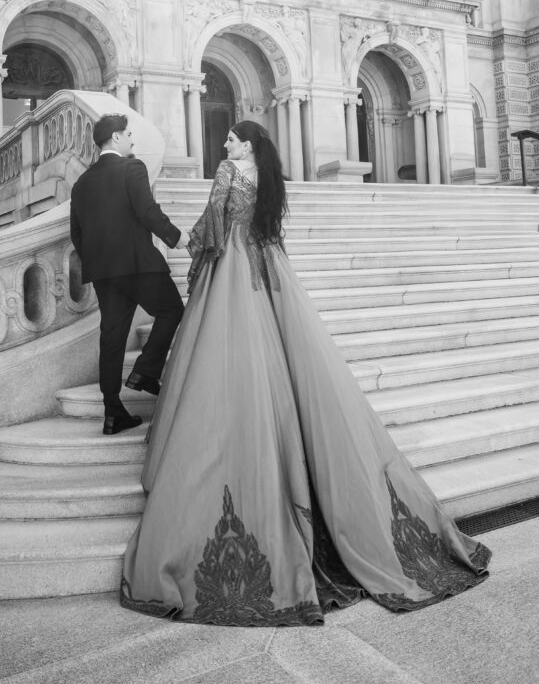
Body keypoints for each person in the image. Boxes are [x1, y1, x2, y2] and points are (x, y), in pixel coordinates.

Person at [120, 120, 491, 625]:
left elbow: (214, 222)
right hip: (269, 264)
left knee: (226, 356)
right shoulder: (271, 178)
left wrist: (196, 252)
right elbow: (269, 228)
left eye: (231, 138)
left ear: (245, 144)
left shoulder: (228, 171)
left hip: (233, 269)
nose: (225, 144)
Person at [70, 113, 189, 436]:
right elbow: (147, 211)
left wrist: (97, 263)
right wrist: (176, 237)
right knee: (171, 311)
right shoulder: (132, 168)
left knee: (112, 338)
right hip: (139, 264)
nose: (132, 140)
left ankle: (112, 412)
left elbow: (76, 233)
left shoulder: (81, 183)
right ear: (116, 137)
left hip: (104, 272)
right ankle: (145, 371)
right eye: (128, 134)